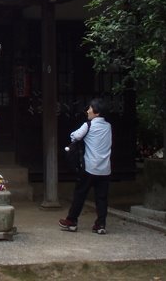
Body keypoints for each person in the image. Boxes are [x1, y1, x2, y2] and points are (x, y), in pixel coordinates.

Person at [59, 97, 113, 234]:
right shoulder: (108, 126)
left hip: (90, 167)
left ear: (97, 112)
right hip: (105, 169)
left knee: (80, 194)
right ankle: (101, 224)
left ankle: (71, 221)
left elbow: (75, 136)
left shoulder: (88, 125)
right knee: (102, 197)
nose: (88, 110)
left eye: (90, 108)